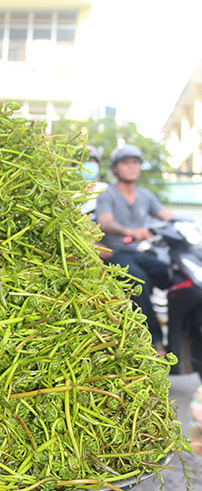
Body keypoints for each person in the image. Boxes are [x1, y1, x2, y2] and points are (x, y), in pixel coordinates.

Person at [96, 144, 173, 355]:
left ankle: (176, 328)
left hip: (141, 252)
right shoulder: (107, 194)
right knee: (140, 280)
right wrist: (131, 231)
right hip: (115, 253)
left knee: (170, 273)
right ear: (115, 169)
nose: (132, 167)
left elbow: (166, 214)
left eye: (136, 163)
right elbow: (106, 222)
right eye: (126, 163)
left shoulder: (145, 195)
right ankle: (154, 339)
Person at [79, 145, 108, 216]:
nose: (88, 163)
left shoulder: (105, 189)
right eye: (84, 161)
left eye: (91, 160)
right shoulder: (67, 192)